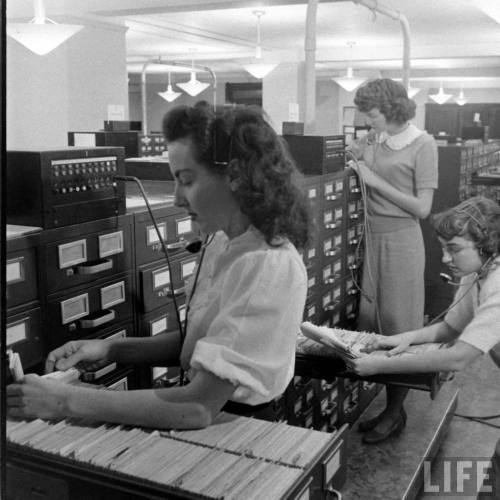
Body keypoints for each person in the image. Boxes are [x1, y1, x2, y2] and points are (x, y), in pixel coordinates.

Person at [7, 103, 310, 429]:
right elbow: (201, 343)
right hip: (210, 413)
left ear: (235, 176)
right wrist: (110, 348)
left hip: (238, 427)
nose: (178, 198)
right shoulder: (223, 242)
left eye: (187, 180)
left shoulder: (266, 265)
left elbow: (197, 408)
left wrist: (63, 400)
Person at [347, 195, 500, 497]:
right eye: (443, 248)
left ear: (487, 246)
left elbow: (458, 357)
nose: (444, 258)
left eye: (453, 249)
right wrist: (403, 338)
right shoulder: (477, 273)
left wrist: (379, 366)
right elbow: (449, 328)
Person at [347, 78, 438, 444]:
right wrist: (358, 154)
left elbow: (423, 208)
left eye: (372, 114)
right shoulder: (375, 139)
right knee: (372, 324)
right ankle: (386, 406)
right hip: (371, 237)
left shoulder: (423, 144)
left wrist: (373, 179)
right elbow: (359, 162)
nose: (368, 120)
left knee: (399, 326)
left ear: (391, 110)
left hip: (402, 241)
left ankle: (394, 410)